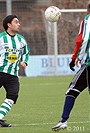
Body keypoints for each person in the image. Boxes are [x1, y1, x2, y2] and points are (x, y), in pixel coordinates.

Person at [52, 2, 90, 131]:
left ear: (87, 11)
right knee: (74, 89)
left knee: (72, 90)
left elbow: (83, 39)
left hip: (89, 64)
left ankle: (63, 121)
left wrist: (76, 57)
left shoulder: (88, 20)